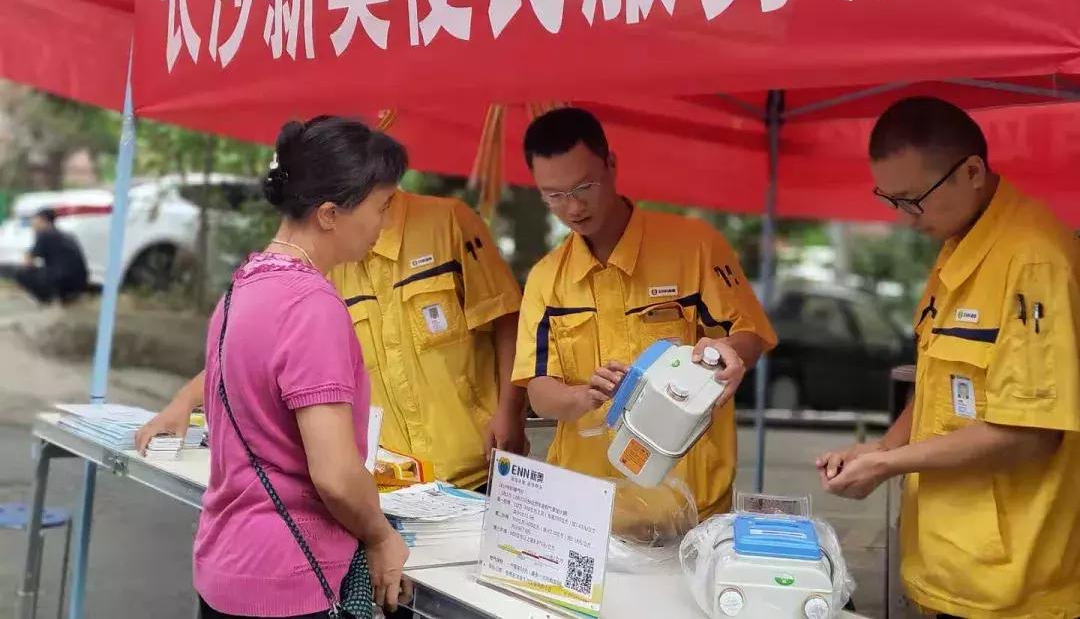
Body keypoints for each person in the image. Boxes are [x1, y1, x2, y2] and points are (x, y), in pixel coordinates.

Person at [817, 97, 1080, 618]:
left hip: (1012, 587)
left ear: (973, 172)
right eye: (892, 201)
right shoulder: (960, 247)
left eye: (913, 199)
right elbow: (938, 382)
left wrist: (889, 464)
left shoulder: (1033, 261)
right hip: (949, 564)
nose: (905, 219)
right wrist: (880, 447)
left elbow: (1029, 433)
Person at [137, 189, 528, 492]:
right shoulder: (325, 261)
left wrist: (510, 410)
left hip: (475, 466)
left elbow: (506, 316)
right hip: (389, 479)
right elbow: (261, 349)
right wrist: (183, 402)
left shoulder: (448, 222)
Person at [193, 116, 412, 619]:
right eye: (382, 207)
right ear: (331, 214)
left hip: (225, 562)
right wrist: (381, 536)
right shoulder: (311, 304)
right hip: (290, 576)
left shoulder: (240, 290)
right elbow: (335, 474)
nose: (384, 223)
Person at [511, 107, 777, 518]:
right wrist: (582, 396)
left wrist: (724, 348)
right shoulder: (546, 278)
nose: (573, 207)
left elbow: (751, 334)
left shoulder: (694, 247)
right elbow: (539, 391)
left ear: (612, 165)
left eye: (584, 186)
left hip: (688, 503)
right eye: (554, 196)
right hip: (587, 509)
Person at [13, 208, 88, 304]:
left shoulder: (45, 234)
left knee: (21, 273)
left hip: (62, 282)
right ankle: (64, 296)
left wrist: (35, 235)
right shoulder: (66, 234)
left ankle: (46, 298)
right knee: (48, 269)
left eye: (34, 219)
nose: (32, 223)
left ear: (42, 220)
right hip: (79, 282)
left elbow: (27, 262)